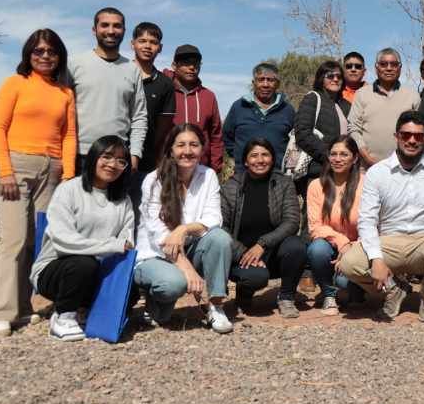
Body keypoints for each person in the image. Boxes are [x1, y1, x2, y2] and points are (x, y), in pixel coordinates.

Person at [0, 28, 76, 337]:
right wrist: (6, 171)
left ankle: (23, 307)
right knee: (13, 238)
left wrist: (68, 175)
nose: (45, 56)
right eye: (38, 51)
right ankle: (0, 311)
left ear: (59, 55)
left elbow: (69, 135)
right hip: (17, 165)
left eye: (51, 51)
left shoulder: (64, 92)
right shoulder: (15, 84)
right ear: (28, 54)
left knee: (36, 241)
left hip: (52, 171)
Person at [338, 111, 424, 321]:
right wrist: (376, 259)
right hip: (389, 241)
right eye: (406, 135)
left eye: (418, 136)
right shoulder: (378, 173)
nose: (412, 140)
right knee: (349, 264)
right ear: (396, 136)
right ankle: (393, 290)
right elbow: (367, 220)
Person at [30, 136, 135, 341]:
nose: (112, 164)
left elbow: (127, 239)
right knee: (83, 265)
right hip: (57, 269)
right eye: (107, 156)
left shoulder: (123, 199)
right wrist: (110, 246)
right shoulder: (69, 190)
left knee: (133, 289)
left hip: (97, 270)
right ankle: (63, 316)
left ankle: (85, 309)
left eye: (121, 161)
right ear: (94, 156)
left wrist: (119, 246)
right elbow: (63, 239)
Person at [133, 124, 234, 333]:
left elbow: (214, 218)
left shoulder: (208, 176)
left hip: (189, 246)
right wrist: (187, 270)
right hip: (155, 254)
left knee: (220, 238)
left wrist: (183, 229)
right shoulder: (153, 180)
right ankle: (154, 297)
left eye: (193, 145)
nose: (187, 151)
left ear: (201, 149)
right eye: (181, 145)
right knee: (173, 285)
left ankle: (215, 305)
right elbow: (158, 234)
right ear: (171, 149)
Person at [220, 139, 306, 318]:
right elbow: (222, 228)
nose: (260, 160)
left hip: (272, 251)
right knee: (256, 277)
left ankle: (286, 297)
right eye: (254, 155)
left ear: (273, 159)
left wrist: (263, 244)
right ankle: (244, 293)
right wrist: (242, 252)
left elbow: (291, 221)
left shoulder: (284, 183)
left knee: (296, 246)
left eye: (265, 155)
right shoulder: (230, 187)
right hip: (241, 256)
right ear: (245, 161)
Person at [66, 7, 148, 172]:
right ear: (94, 29)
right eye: (105, 25)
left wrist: (134, 154)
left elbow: (139, 116)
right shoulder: (74, 64)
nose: (111, 31)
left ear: (124, 31)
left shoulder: (132, 70)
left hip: (117, 158)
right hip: (78, 157)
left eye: (117, 26)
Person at [306, 135, 366, 315]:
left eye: (344, 154)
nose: (337, 159)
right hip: (330, 246)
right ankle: (328, 294)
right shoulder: (316, 185)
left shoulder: (367, 183)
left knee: (345, 284)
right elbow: (315, 226)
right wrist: (342, 242)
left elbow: (373, 223)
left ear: (355, 158)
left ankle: (353, 289)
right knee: (316, 249)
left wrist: (352, 248)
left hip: (360, 247)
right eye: (333, 154)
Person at [347, 48, 421, 168]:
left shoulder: (412, 95)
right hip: (366, 168)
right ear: (376, 68)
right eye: (383, 64)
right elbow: (353, 128)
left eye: (394, 64)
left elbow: (420, 131)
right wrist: (367, 157)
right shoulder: (362, 94)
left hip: (404, 168)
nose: (389, 68)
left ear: (400, 68)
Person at [222, 62, 296, 173]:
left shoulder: (287, 110)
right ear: (254, 83)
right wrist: (240, 157)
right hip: (244, 177)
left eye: (270, 80)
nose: (265, 84)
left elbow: (295, 143)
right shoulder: (238, 107)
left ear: (277, 84)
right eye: (261, 79)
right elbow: (227, 137)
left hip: (278, 178)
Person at [160, 44, 223, 172]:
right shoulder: (162, 90)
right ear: (174, 65)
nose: (191, 67)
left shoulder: (208, 96)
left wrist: (215, 167)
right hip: (167, 168)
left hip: (201, 170)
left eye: (196, 64)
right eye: (185, 63)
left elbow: (216, 135)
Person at [292, 60, 351, 192]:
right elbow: (302, 134)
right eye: (330, 76)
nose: (335, 79)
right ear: (321, 79)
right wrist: (331, 156)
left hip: (343, 172)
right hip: (318, 171)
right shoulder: (313, 98)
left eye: (339, 76)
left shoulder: (346, 105)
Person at [130, 22, 175, 174]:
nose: (147, 46)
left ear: (160, 48)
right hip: (113, 153)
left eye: (153, 42)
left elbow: (163, 130)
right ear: (132, 44)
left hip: (147, 161)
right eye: (142, 41)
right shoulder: (119, 74)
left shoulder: (166, 84)